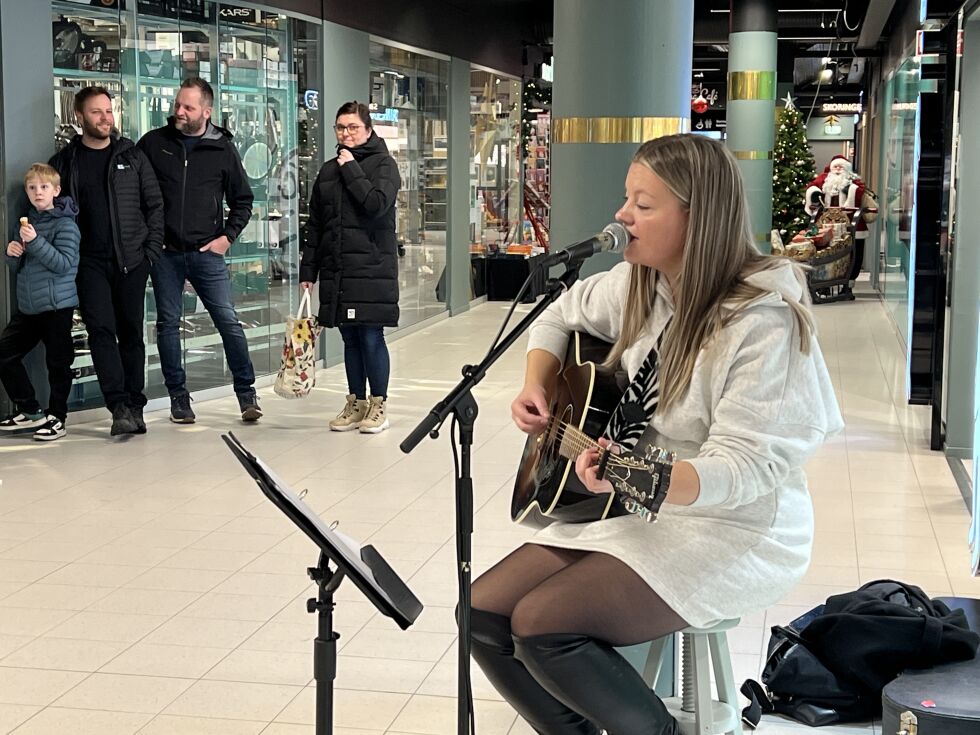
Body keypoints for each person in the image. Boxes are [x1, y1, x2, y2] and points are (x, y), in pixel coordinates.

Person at [470, 135, 844, 735]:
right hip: (644, 505)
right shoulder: (641, 284)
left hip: (738, 527)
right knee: (482, 613)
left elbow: (746, 467)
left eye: (643, 205)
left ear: (700, 217)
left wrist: (638, 474)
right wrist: (537, 383)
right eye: (626, 198)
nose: (622, 216)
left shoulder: (762, 321)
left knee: (543, 622)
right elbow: (558, 313)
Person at [137, 77, 260, 424]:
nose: (179, 111)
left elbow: (243, 200)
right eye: (178, 104)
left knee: (228, 322)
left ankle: (246, 393)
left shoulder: (222, 148)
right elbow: (134, 194)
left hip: (207, 253)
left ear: (206, 112)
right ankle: (179, 398)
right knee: (167, 325)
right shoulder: (153, 144)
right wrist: (150, 237)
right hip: (165, 254)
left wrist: (226, 238)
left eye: (187, 107)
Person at [50, 86, 165, 437]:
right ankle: (117, 406)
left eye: (108, 111)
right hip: (89, 264)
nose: (105, 118)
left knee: (131, 334)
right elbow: (54, 213)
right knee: (101, 332)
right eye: (97, 112)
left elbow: (155, 205)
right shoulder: (65, 162)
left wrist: (150, 253)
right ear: (80, 117)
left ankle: (135, 403)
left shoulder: (131, 156)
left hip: (132, 260)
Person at [300, 101, 400, 433]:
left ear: (368, 129)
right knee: (349, 339)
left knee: (371, 336)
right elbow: (316, 225)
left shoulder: (385, 165)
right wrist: (308, 272)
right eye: (340, 127)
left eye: (353, 127)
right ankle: (356, 401)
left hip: (371, 268)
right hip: (337, 269)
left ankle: (379, 404)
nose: (346, 133)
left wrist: (351, 168)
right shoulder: (328, 171)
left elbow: (376, 205)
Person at [0, 164, 80, 441]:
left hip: (57, 307)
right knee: (5, 354)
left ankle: (58, 417)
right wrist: (12, 253)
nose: (38, 193)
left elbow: (65, 264)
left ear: (56, 191)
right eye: (32, 188)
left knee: (58, 364)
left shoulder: (66, 224)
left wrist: (33, 243)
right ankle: (30, 411)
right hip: (29, 308)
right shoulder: (25, 224)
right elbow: (18, 266)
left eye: (44, 187)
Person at [804, 155, 870, 286]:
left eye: (841, 166)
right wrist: (814, 193)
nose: (838, 169)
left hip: (850, 224)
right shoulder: (824, 180)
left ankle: (848, 282)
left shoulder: (852, 182)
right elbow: (812, 187)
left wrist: (851, 190)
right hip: (826, 223)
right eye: (836, 166)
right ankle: (824, 283)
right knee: (824, 253)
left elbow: (860, 191)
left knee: (853, 254)